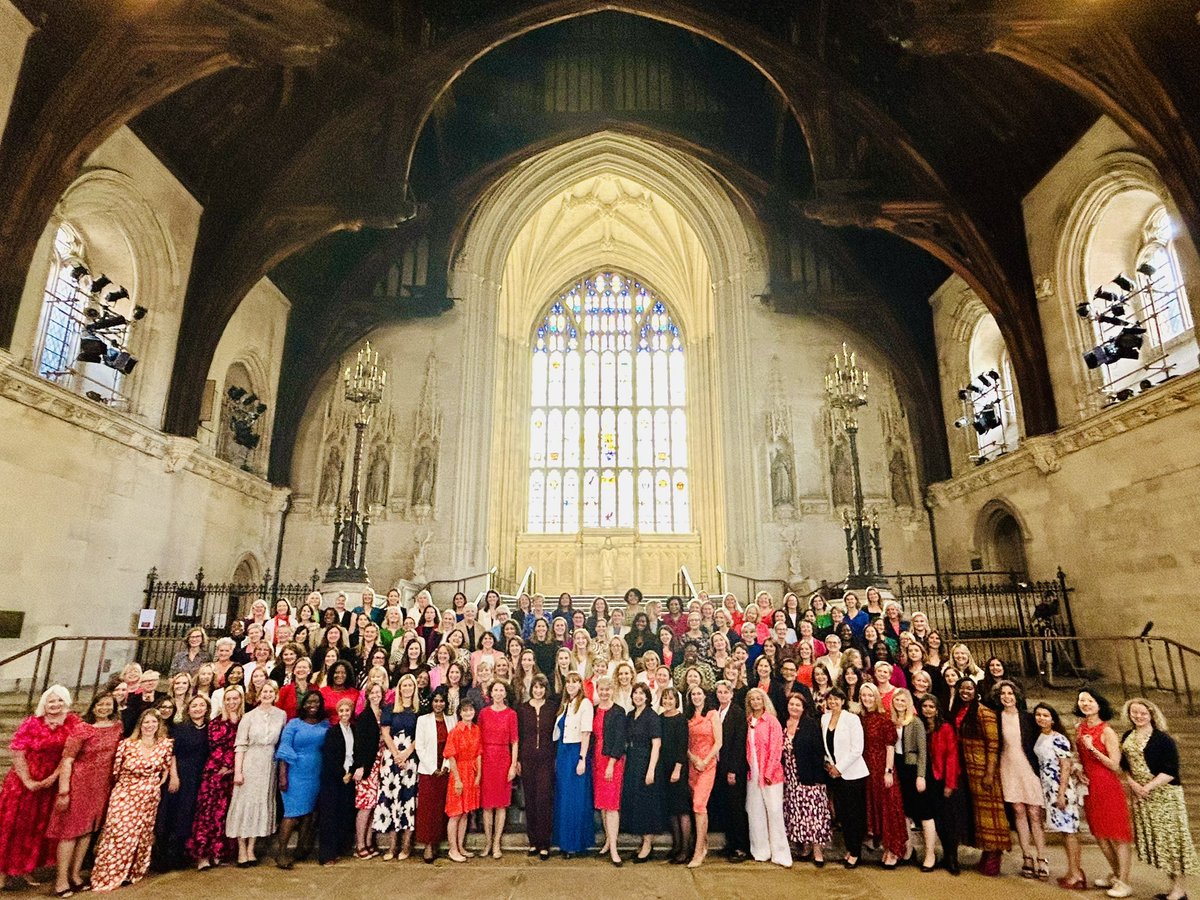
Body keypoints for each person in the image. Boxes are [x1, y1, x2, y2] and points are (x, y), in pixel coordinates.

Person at [0, 685, 79, 890]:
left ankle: (24, 868)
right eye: (51, 701)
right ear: (44, 703)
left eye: (60, 700)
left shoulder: (73, 724)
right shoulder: (32, 723)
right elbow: (18, 752)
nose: (55, 705)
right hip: (23, 783)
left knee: (36, 829)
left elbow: (70, 754)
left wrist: (53, 778)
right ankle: (1, 872)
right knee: (12, 827)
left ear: (66, 702)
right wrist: (28, 781)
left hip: (51, 785)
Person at [1120, 697, 1196, 900]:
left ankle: (1179, 890)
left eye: (1143, 713)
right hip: (1142, 795)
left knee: (1172, 841)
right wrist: (1134, 785)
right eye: (1134, 712)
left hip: (1165, 795)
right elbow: (1125, 765)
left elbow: (1171, 770)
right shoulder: (1128, 735)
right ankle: (1173, 887)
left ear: (1152, 714)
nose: (1138, 716)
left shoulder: (1163, 739)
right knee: (1160, 843)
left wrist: (1147, 787)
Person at [48, 692, 122, 895]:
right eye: (101, 704)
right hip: (79, 785)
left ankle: (75, 874)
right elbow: (68, 759)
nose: (104, 708)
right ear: (94, 706)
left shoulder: (117, 728)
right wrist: (64, 790)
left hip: (101, 787)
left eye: (109, 705)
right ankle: (61, 880)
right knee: (70, 832)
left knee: (88, 831)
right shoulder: (82, 729)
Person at [1075, 688, 1134, 896]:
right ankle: (1117, 874)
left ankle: (1125, 881)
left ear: (1099, 704)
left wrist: (1093, 749)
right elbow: (1081, 759)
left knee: (1117, 834)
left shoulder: (1106, 731)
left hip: (1107, 785)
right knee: (1100, 834)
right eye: (1082, 700)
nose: (1085, 704)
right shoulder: (1080, 728)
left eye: (1090, 700)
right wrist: (1078, 770)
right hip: (1090, 786)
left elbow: (1115, 764)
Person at [952, 677, 1009, 876]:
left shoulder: (985, 712)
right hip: (967, 768)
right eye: (962, 688)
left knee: (990, 813)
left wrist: (990, 772)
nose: (965, 691)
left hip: (983, 768)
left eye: (969, 688)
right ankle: (987, 851)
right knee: (979, 813)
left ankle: (995, 852)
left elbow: (993, 744)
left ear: (975, 691)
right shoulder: (960, 710)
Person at [225, 679, 286, 866]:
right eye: (264, 692)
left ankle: (251, 848)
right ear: (259, 695)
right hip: (250, 761)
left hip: (269, 764)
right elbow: (240, 745)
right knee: (244, 804)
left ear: (275, 695)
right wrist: (238, 771)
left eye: (270, 692)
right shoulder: (249, 716)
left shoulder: (281, 715)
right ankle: (241, 848)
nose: (267, 695)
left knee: (261, 804)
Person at [993, 680, 1047, 879]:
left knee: (1034, 812)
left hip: (1028, 767)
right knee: (1018, 811)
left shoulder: (1028, 718)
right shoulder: (996, 718)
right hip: (1008, 766)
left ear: (1017, 696)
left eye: (1010, 693)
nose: (1007, 697)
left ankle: (1042, 857)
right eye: (1003, 694)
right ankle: (1027, 856)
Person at [188, 687, 242, 869]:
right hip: (216, 774)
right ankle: (202, 854)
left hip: (235, 775)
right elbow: (215, 747)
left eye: (235, 698)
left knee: (224, 815)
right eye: (228, 699)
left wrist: (235, 767)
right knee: (208, 814)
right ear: (224, 701)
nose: (232, 702)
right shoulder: (216, 723)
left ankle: (218, 852)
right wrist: (226, 766)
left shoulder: (243, 721)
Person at [273, 691, 328, 869]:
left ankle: (300, 849)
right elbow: (284, 749)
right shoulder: (293, 724)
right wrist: (282, 776)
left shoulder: (325, 724)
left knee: (308, 813)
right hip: (294, 773)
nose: (313, 705)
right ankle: (281, 852)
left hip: (316, 773)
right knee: (291, 813)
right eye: (309, 702)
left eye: (317, 702)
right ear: (303, 704)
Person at [1032, 702, 1084, 888]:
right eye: (1038, 714)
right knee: (1065, 831)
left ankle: (1076, 873)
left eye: (1045, 715)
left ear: (1053, 719)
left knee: (1070, 831)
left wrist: (1061, 793)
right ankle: (1074, 870)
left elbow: (1065, 765)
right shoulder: (1040, 736)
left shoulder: (1058, 738)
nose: (1041, 718)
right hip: (1048, 787)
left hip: (1060, 788)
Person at [154, 695, 209, 871]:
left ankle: (180, 855)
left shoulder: (209, 729)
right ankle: (163, 857)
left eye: (201, 705)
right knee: (171, 814)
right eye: (194, 706)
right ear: (188, 709)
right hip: (180, 775)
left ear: (206, 708)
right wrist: (174, 776)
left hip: (199, 776)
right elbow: (172, 753)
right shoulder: (180, 728)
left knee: (188, 816)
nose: (198, 708)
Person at [859, 682, 907, 866]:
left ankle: (893, 850)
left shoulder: (885, 718)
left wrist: (888, 771)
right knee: (876, 808)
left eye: (870, 695)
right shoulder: (861, 718)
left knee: (888, 808)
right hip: (867, 769)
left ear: (876, 697)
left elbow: (890, 747)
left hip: (882, 768)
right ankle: (883, 847)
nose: (867, 699)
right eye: (864, 695)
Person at [743, 687, 791, 867]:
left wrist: (769, 771)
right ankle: (761, 850)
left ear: (764, 701)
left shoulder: (772, 721)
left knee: (774, 811)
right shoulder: (748, 721)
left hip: (770, 773)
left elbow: (776, 748)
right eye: (752, 699)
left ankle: (780, 853)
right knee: (754, 811)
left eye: (758, 699)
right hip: (752, 772)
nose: (755, 702)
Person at [374, 673, 420, 860]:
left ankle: (406, 846)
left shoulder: (419, 710)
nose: (407, 688)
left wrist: (407, 753)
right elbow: (385, 733)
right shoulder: (389, 708)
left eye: (410, 685)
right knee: (392, 799)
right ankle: (392, 846)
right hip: (392, 758)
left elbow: (421, 734)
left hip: (410, 759)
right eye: (404, 685)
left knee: (408, 800)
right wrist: (396, 754)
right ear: (399, 688)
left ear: (414, 688)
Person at [821, 686, 869, 868]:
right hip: (834, 774)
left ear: (842, 701)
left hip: (852, 774)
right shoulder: (825, 719)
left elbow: (857, 748)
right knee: (842, 815)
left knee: (854, 815)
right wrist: (829, 766)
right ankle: (850, 848)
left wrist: (840, 768)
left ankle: (856, 852)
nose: (833, 702)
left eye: (836, 699)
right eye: (830, 699)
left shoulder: (852, 719)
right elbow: (826, 746)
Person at [781, 690, 829, 866]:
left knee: (813, 815)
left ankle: (818, 852)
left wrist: (818, 778)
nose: (794, 707)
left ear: (803, 708)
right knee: (796, 814)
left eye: (797, 705)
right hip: (789, 777)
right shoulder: (783, 723)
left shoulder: (810, 725)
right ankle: (803, 847)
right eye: (791, 704)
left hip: (809, 776)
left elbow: (818, 753)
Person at [919, 693, 962, 874]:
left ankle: (951, 856)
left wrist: (949, 784)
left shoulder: (945, 728)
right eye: (925, 706)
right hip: (924, 778)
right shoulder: (919, 726)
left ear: (937, 709)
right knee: (930, 817)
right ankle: (931, 854)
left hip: (941, 778)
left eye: (931, 707)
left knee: (947, 821)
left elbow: (952, 757)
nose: (927, 710)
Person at [514, 675, 555, 860]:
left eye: (542, 687)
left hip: (546, 759)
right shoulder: (522, 709)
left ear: (546, 689)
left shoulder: (552, 708)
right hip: (527, 759)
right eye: (535, 687)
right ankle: (533, 842)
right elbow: (519, 736)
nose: (538, 690)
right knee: (530, 800)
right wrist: (518, 761)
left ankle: (545, 843)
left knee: (543, 800)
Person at [477, 681, 519, 858]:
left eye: (501, 690)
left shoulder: (511, 714)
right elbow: (477, 738)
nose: (498, 693)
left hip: (503, 759)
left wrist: (513, 765)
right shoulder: (483, 713)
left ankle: (496, 844)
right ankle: (487, 842)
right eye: (495, 690)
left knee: (501, 805)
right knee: (487, 806)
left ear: (505, 693)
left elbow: (515, 741)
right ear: (490, 693)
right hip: (486, 759)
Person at [620, 683, 661, 862]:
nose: (638, 696)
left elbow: (656, 744)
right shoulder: (630, 715)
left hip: (646, 761)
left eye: (641, 694)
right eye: (635, 693)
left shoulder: (652, 716)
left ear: (647, 696)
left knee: (647, 804)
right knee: (636, 802)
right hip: (632, 761)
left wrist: (651, 769)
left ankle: (647, 844)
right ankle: (642, 842)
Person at [588, 675, 626, 866]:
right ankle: (608, 841)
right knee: (602, 804)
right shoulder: (594, 710)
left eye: (607, 689)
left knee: (611, 806)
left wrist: (611, 763)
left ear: (613, 690)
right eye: (601, 689)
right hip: (597, 759)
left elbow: (620, 740)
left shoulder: (619, 712)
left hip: (613, 761)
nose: (604, 693)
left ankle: (614, 849)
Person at [892, 688, 932, 869]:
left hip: (913, 766)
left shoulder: (915, 722)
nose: (899, 703)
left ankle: (930, 853)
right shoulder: (893, 721)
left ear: (908, 703)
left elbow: (923, 751)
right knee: (905, 811)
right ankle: (908, 849)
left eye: (903, 700)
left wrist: (921, 775)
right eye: (896, 700)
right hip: (898, 766)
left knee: (924, 811)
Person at [414, 687, 455, 862]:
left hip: (446, 767)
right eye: (436, 701)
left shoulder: (452, 719)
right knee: (428, 808)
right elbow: (419, 747)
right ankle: (428, 845)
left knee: (441, 808)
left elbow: (453, 744)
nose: (438, 704)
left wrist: (445, 766)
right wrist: (432, 768)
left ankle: (438, 841)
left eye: (441, 701)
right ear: (431, 702)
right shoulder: (423, 720)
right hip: (428, 770)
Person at [684, 683, 721, 868]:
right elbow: (685, 744)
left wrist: (705, 761)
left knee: (699, 804)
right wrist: (693, 759)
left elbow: (718, 742)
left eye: (699, 693)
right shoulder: (688, 718)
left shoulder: (712, 714)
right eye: (693, 694)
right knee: (697, 807)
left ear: (705, 696)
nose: (696, 697)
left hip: (708, 764)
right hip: (692, 764)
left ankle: (698, 852)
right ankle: (703, 842)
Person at [317, 698, 357, 866]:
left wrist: (351, 772)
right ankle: (327, 855)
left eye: (347, 710)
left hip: (349, 776)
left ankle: (339, 849)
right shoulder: (332, 732)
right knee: (329, 816)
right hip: (334, 778)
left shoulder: (354, 730)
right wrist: (342, 773)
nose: (344, 714)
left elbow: (356, 752)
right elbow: (330, 756)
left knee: (343, 814)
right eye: (341, 711)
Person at [443, 697, 482, 863]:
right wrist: (457, 779)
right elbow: (451, 756)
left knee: (466, 812)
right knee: (455, 813)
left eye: (471, 710)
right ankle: (452, 849)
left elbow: (479, 752)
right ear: (460, 713)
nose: (468, 713)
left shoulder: (476, 729)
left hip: (471, 772)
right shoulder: (455, 731)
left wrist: (479, 774)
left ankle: (460, 846)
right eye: (465, 710)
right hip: (458, 772)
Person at [657, 687, 692, 864]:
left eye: (671, 699)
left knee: (682, 810)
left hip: (678, 768)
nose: (668, 701)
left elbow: (682, 746)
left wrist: (677, 768)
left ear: (676, 701)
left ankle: (685, 850)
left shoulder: (681, 720)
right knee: (671, 809)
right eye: (665, 698)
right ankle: (676, 846)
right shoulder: (660, 719)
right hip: (663, 767)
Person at [352, 683, 385, 858]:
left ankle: (369, 840)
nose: (375, 695)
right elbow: (360, 744)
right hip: (368, 766)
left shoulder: (383, 714)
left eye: (378, 692)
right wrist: (360, 765)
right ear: (367, 695)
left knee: (374, 806)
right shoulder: (364, 716)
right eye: (372, 693)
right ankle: (360, 844)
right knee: (365, 806)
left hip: (381, 763)